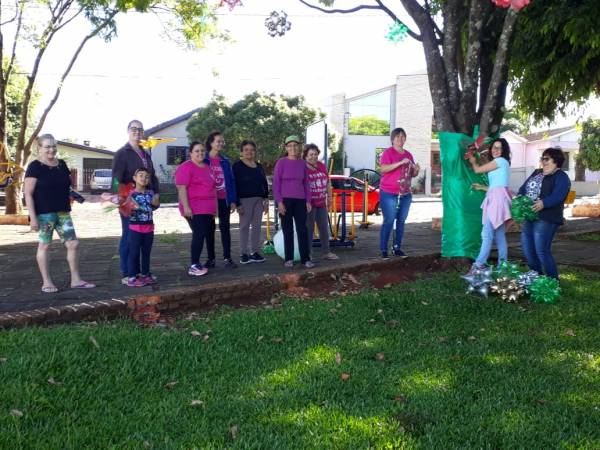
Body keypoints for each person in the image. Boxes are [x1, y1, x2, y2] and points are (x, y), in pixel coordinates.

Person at [23, 134, 95, 293]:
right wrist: (32, 218)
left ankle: (76, 280)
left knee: (73, 244)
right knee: (45, 245)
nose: (51, 149)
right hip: (44, 214)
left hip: (63, 212)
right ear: (39, 148)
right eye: (47, 146)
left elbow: (67, 188)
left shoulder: (61, 164)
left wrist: (85, 199)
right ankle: (46, 282)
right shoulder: (34, 166)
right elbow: (28, 193)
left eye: (54, 146)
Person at [112, 120, 160, 285]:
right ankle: (127, 274)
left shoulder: (145, 154)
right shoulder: (122, 153)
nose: (137, 132)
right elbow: (116, 178)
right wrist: (119, 198)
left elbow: (152, 176)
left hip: (146, 200)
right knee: (129, 237)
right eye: (134, 129)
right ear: (127, 131)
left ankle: (140, 272)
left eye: (140, 129)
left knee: (143, 239)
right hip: (129, 200)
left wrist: (157, 194)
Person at [517, 147, 571, 279]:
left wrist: (544, 203)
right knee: (527, 249)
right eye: (542, 158)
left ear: (556, 160)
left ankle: (553, 282)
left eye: (547, 159)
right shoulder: (537, 172)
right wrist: (520, 199)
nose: (543, 161)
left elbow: (559, 195)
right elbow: (523, 188)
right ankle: (537, 277)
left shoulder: (561, 176)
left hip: (547, 218)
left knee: (541, 250)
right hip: (529, 215)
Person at [467, 138, 513, 272]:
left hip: (497, 200)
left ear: (504, 151)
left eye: (499, 148)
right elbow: (497, 185)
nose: (496, 150)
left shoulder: (500, 161)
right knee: (499, 234)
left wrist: (473, 160)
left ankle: (478, 265)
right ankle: (502, 266)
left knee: (487, 233)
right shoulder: (502, 163)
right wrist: (482, 187)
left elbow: (477, 170)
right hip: (497, 197)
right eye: (494, 147)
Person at [175, 141, 218, 276]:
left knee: (203, 234)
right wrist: (186, 207)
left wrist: (214, 209)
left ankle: (200, 263)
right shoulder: (186, 167)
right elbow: (181, 188)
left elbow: (213, 189)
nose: (200, 153)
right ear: (191, 153)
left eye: (202, 151)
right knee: (199, 234)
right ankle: (194, 265)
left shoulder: (208, 167)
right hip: (193, 208)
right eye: (197, 151)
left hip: (208, 209)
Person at [272, 135, 314, 268]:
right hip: (285, 201)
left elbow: (306, 183)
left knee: (302, 230)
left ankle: (305, 259)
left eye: (295, 145)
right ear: (286, 148)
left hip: (301, 201)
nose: (293, 148)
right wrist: (279, 202)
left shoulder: (302, 163)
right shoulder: (281, 162)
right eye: (289, 146)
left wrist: (308, 200)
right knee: (287, 230)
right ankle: (288, 258)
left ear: (299, 147)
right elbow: (276, 184)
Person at [378, 127, 420, 259]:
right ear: (392, 139)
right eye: (397, 137)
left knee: (401, 221)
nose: (400, 139)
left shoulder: (408, 154)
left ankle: (397, 248)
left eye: (403, 137)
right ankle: (383, 249)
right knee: (389, 220)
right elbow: (383, 169)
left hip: (405, 193)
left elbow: (412, 174)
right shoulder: (388, 153)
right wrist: (400, 162)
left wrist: (416, 170)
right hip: (389, 192)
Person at [204, 131, 238, 269]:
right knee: (209, 229)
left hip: (224, 200)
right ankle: (211, 259)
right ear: (211, 143)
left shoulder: (225, 160)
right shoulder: (204, 159)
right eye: (218, 141)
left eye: (222, 141)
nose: (221, 143)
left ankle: (227, 258)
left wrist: (233, 200)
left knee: (225, 229)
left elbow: (231, 181)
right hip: (209, 201)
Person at [232, 140, 269, 264]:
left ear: (255, 152)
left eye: (252, 150)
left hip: (259, 200)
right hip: (244, 201)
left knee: (257, 227)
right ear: (242, 151)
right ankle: (244, 253)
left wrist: (266, 199)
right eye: (246, 149)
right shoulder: (237, 166)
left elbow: (264, 183)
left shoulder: (259, 166)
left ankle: (255, 252)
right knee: (244, 227)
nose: (249, 152)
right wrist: (237, 203)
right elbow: (234, 185)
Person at [303, 143, 338, 261]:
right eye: (310, 154)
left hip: (321, 202)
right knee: (309, 229)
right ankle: (307, 253)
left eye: (315, 154)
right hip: (309, 204)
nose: (313, 157)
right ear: (305, 156)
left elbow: (328, 182)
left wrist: (330, 197)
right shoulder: (303, 167)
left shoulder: (322, 166)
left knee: (324, 227)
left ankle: (326, 252)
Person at [126, 168, 157, 287]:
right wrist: (130, 205)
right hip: (135, 228)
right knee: (133, 253)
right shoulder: (130, 194)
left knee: (146, 253)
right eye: (141, 175)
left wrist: (156, 201)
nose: (144, 178)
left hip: (149, 227)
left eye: (147, 176)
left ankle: (145, 274)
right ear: (134, 178)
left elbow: (153, 207)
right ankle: (132, 277)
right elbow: (126, 210)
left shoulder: (150, 193)